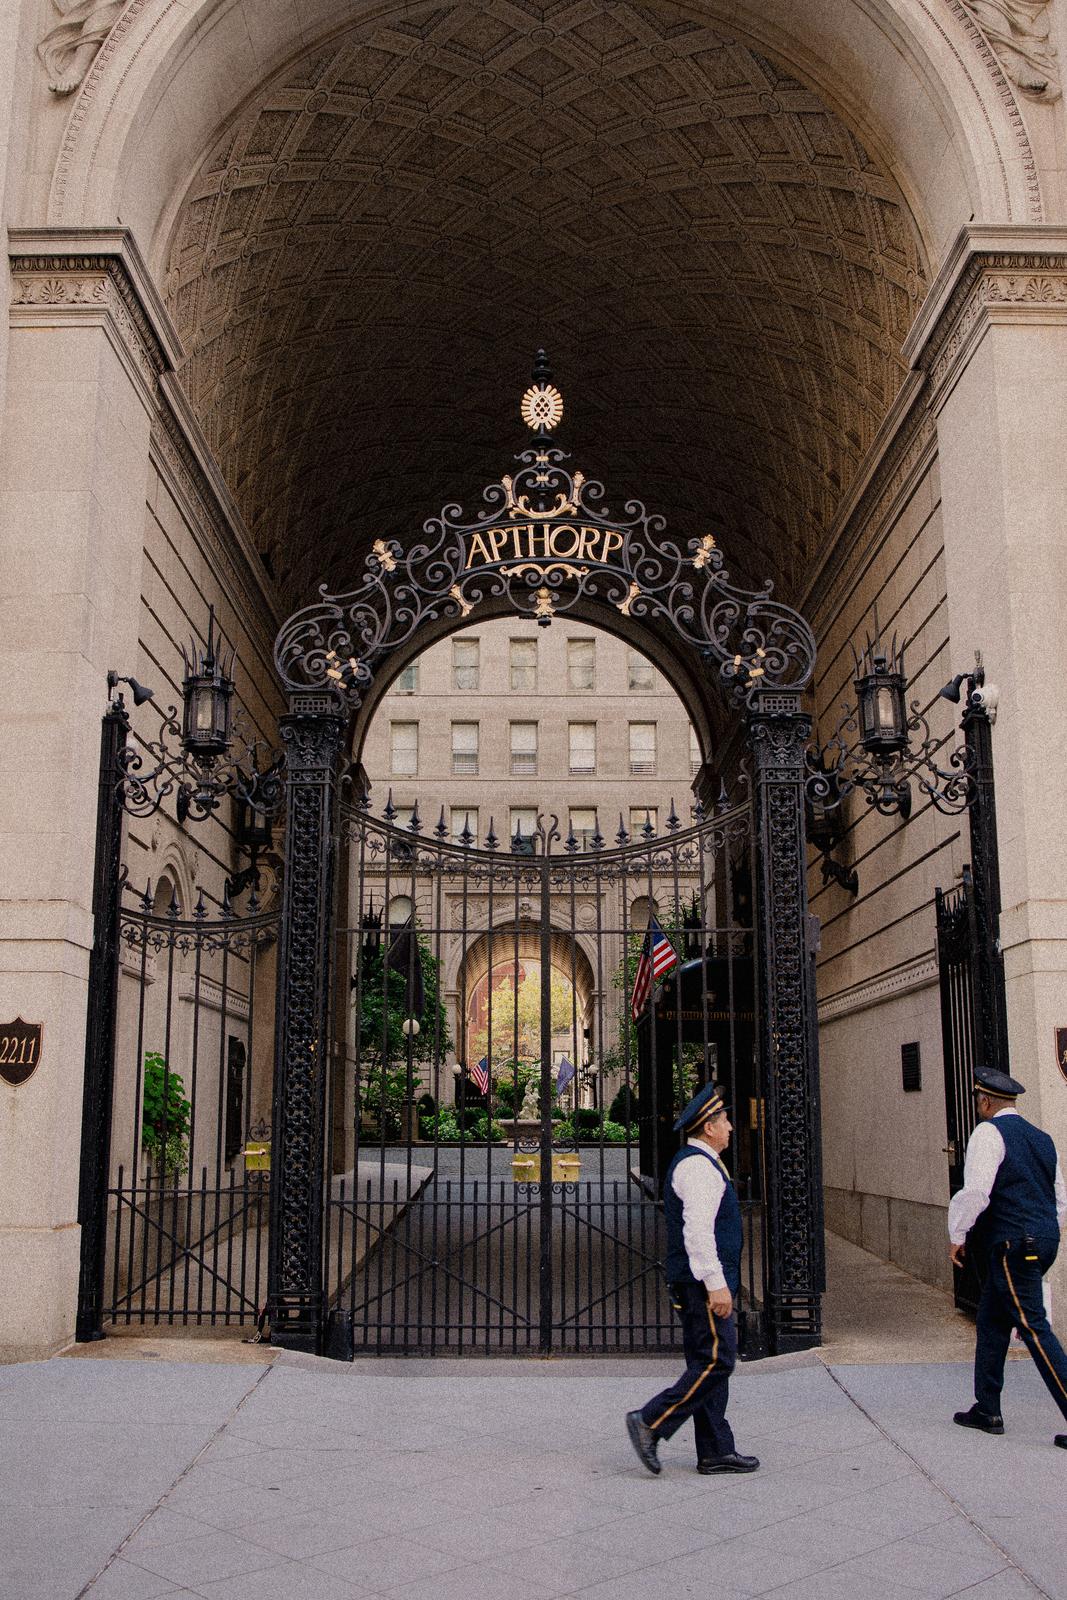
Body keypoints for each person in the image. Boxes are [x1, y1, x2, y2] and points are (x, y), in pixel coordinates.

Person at [625, 1082, 758, 1476]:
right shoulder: (698, 1168)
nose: (732, 1127)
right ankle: (650, 1421)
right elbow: (697, 1232)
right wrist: (716, 1283)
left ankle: (716, 1450)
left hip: (699, 1281)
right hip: (702, 1283)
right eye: (725, 1120)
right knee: (718, 1360)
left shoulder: (700, 1163)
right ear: (709, 1127)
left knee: (707, 1360)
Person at [949, 1065, 1067, 1448]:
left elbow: (977, 1192)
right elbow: (1060, 1200)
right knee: (991, 1319)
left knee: (1033, 1328)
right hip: (1042, 1239)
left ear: (984, 1100)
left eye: (978, 1101)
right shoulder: (1043, 1138)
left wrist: (958, 1233)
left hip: (1013, 1244)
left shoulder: (988, 1133)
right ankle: (987, 1408)